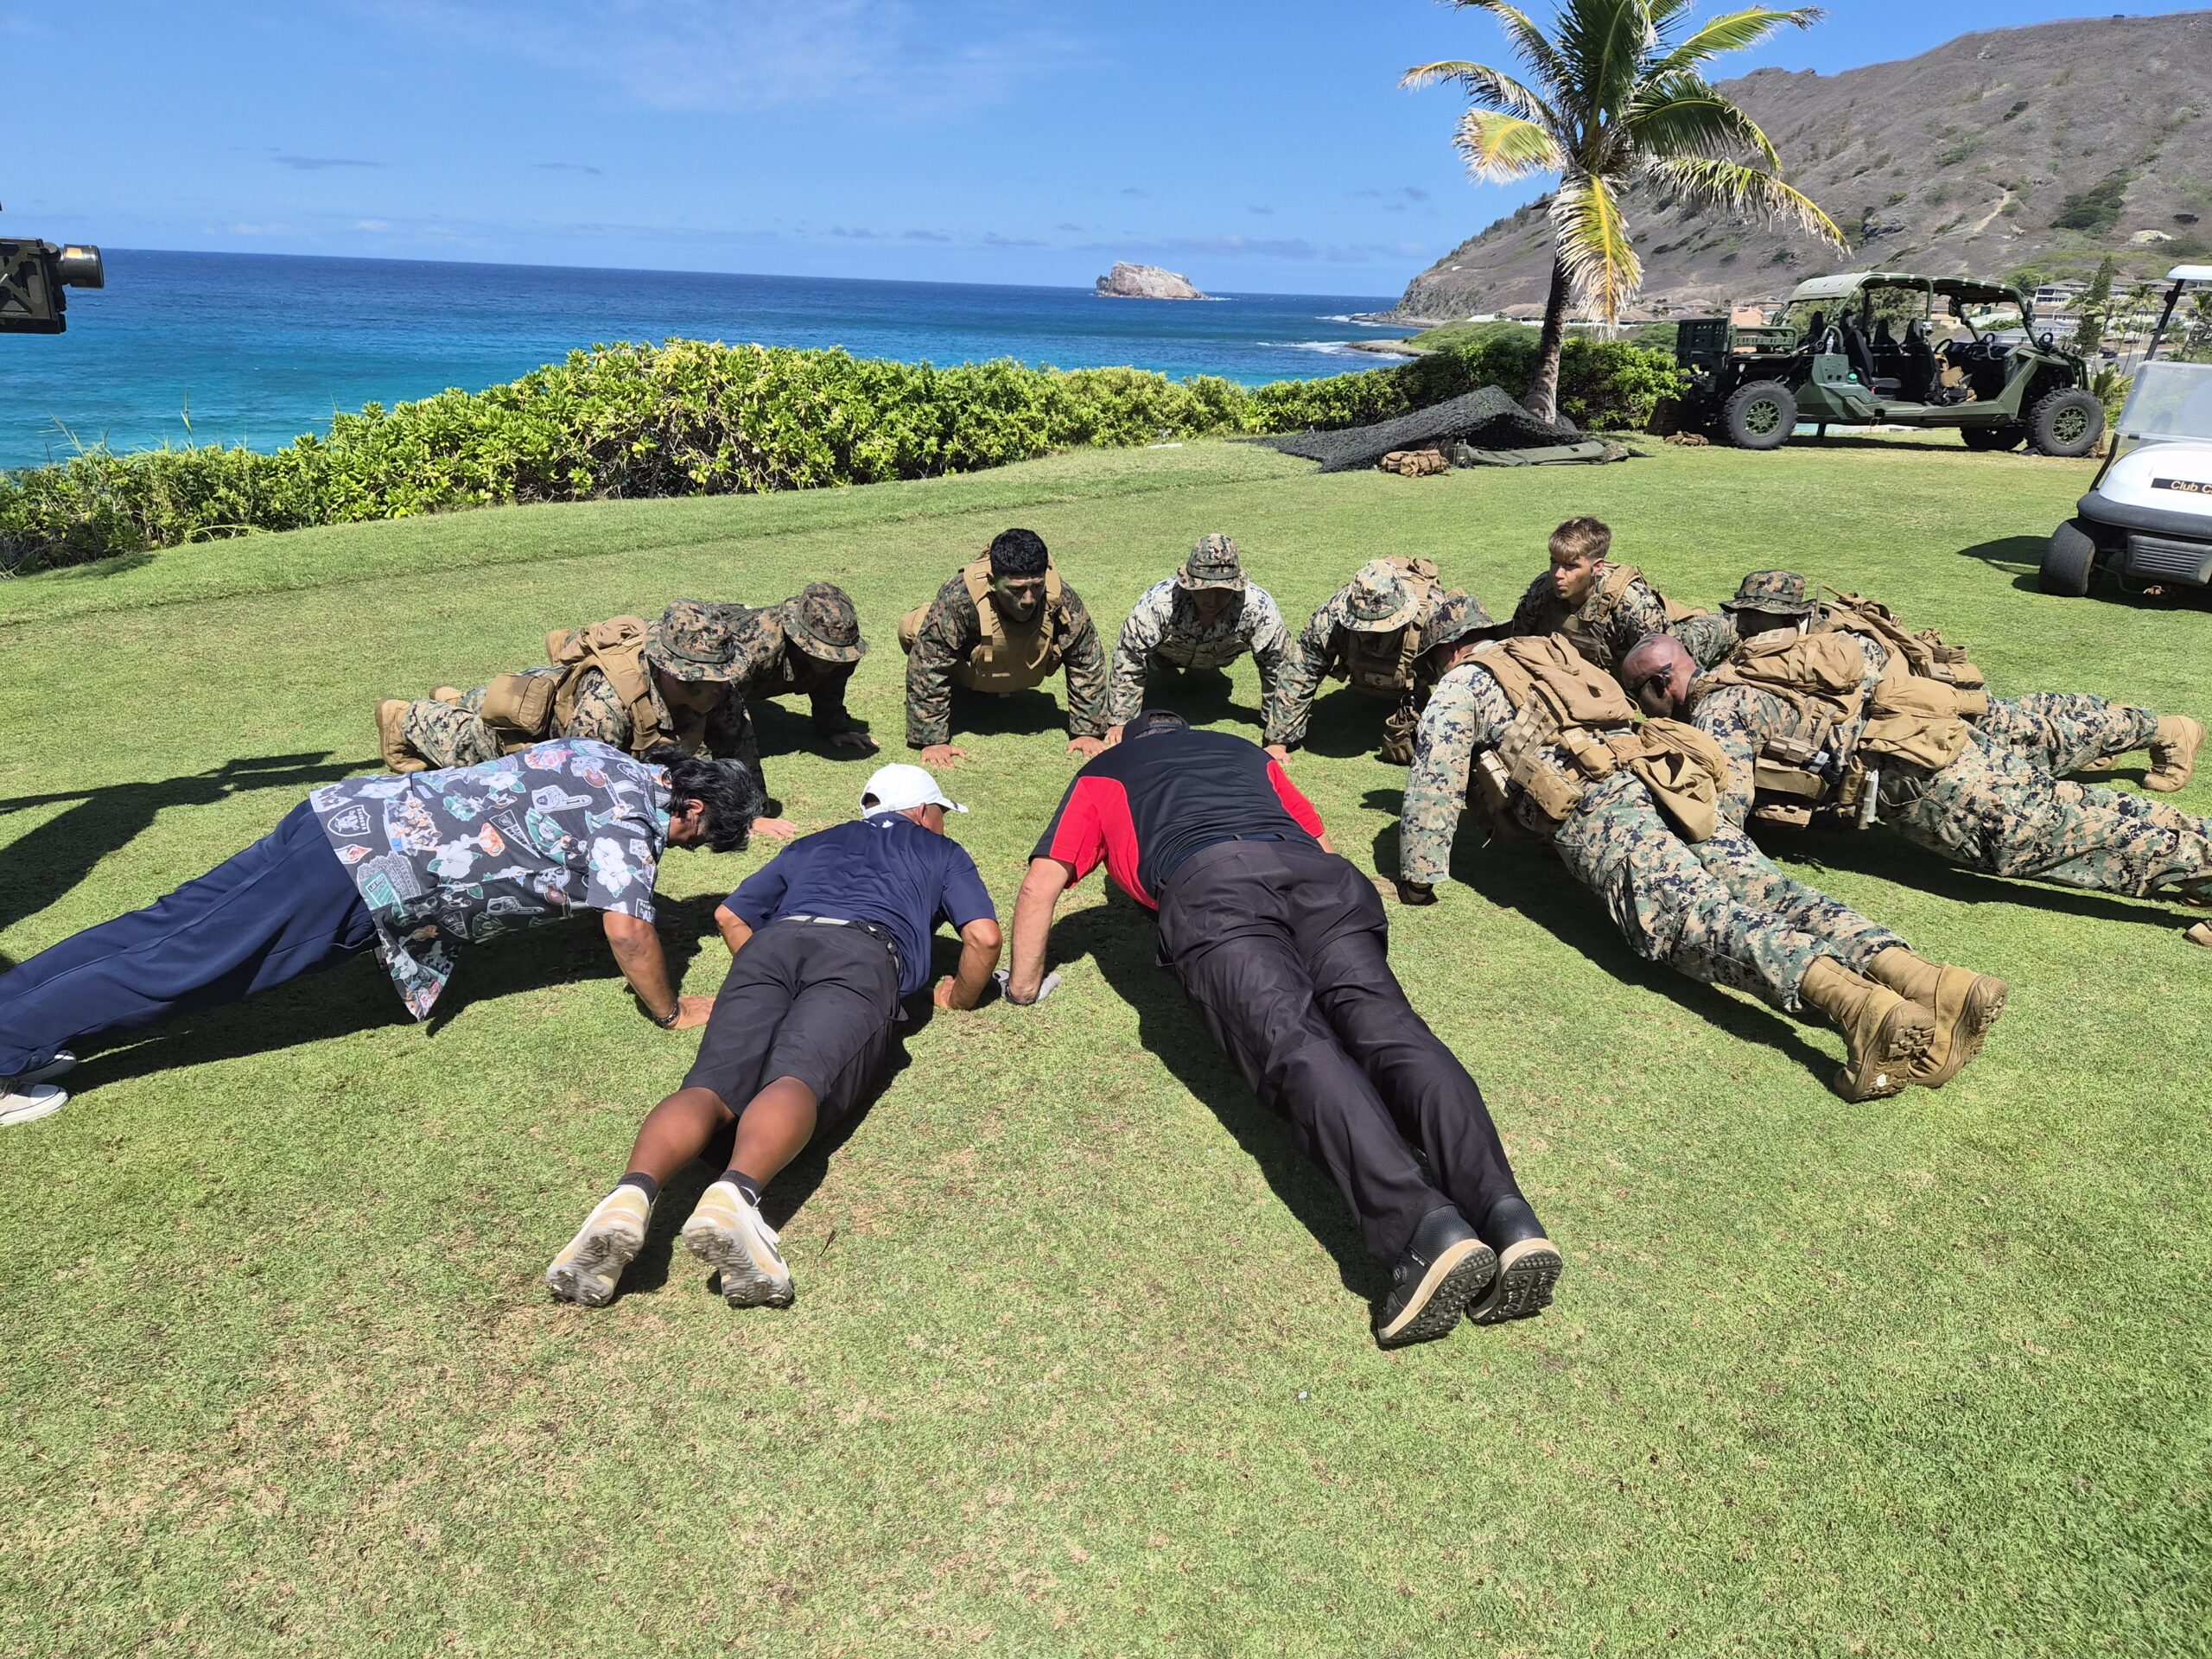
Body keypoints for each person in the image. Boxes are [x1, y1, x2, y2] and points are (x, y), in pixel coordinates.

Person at [1001, 709, 1560, 1348]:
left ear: (1128, 742)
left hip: (1212, 889)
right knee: (1395, 1032)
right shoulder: (1245, 753)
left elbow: (1041, 885)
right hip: (1321, 882)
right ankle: (1507, 1216)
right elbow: (1319, 841)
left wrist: (1022, 987)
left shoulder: (1105, 769)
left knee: (1295, 1044)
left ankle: (1424, 1230)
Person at [1396, 605, 2004, 1100]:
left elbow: (1435, 778)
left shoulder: (1463, 682)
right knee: (1771, 891)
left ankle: (1860, 1009)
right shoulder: (1551, 653)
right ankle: (1932, 984)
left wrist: (1418, 877)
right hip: (1670, 781)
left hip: (1601, 810)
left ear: (1448, 653)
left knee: (1694, 919)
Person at [0, 741, 764, 1125]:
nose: (681, 851)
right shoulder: (632, 823)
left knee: (163, 931)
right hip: (356, 873)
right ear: (692, 809)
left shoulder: (608, 759)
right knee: (180, 964)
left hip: (339, 820)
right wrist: (670, 1010)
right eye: (696, 841)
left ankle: (18, 1008)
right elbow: (627, 928)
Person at [545, 763, 1001, 1308]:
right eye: (942, 813)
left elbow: (729, 914)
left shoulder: (814, 842)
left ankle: (629, 1196)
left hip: (772, 946)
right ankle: (734, 1197)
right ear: (924, 811)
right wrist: (959, 997)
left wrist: (766, 975)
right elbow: (983, 938)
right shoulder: (940, 850)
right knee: (799, 1075)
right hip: (860, 953)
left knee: (711, 1083)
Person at [1624, 629, 2212, 928]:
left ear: (1661, 685)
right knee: (2076, 808)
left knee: (2067, 836)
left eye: (1638, 696)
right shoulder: (1751, 663)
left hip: (1932, 784)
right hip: (1938, 738)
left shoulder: (1718, 711)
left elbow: (1721, 811)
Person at [1706, 569, 2200, 788]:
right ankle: (2119, 737)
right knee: (2037, 715)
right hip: (1935, 710)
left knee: (2047, 733)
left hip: (1942, 717)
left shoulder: (1839, 645)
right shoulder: (1784, 642)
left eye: (1756, 615)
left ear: (1791, 616)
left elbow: (1865, 703)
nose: (1744, 623)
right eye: (1743, 612)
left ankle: (2167, 731)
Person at [899, 528, 1110, 766]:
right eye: (1016, 590)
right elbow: (929, 663)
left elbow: (1086, 657)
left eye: (1036, 586)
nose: (1028, 599)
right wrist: (932, 739)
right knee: (913, 628)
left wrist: (1088, 731)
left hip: (1024, 665)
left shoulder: (1059, 597)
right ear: (992, 580)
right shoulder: (959, 597)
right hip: (969, 667)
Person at [1103, 534, 1291, 743]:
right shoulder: (1158, 602)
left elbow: (1277, 667)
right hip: (1165, 654)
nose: (1212, 599)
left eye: (1223, 590)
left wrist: (1278, 736)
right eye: (1203, 589)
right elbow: (1130, 656)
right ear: (1188, 583)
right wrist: (1121, 720)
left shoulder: (1259, 607)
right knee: (1155, 662)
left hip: (1221, 656)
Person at [1270, 557, 1459, 764]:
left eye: (1381, 627)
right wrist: (1279, 742)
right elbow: (1302, 670)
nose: (1370, 634)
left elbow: (1461, 681)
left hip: (1419, 672)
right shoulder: (1333, 614)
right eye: (1363, 626)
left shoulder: (1434, 616)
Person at [1509, 517, 1703, 675]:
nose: (1558, 574)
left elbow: (1671, 665)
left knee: (1709, 632)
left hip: (1682, 641)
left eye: (1570, 566)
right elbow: (1516, 640)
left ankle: (1708, 616)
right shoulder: (1543, 588)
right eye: (1554, 562)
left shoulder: (1632, 603)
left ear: (1597, 567)